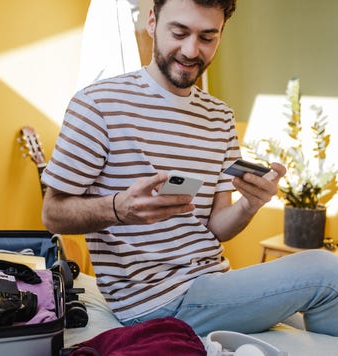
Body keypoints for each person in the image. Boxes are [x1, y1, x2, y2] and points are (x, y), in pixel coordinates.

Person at [41, 0, 338, 337]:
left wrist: (250, 204)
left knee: (320, 307)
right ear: (152, 22)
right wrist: (119, 208)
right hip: (153, 302)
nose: (190, 50)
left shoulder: (220, 117)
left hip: (214, 284)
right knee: (326, 271)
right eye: (179, 32)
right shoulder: (97, 104)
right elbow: (53, 213)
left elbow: (217, 227)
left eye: (207, 37)